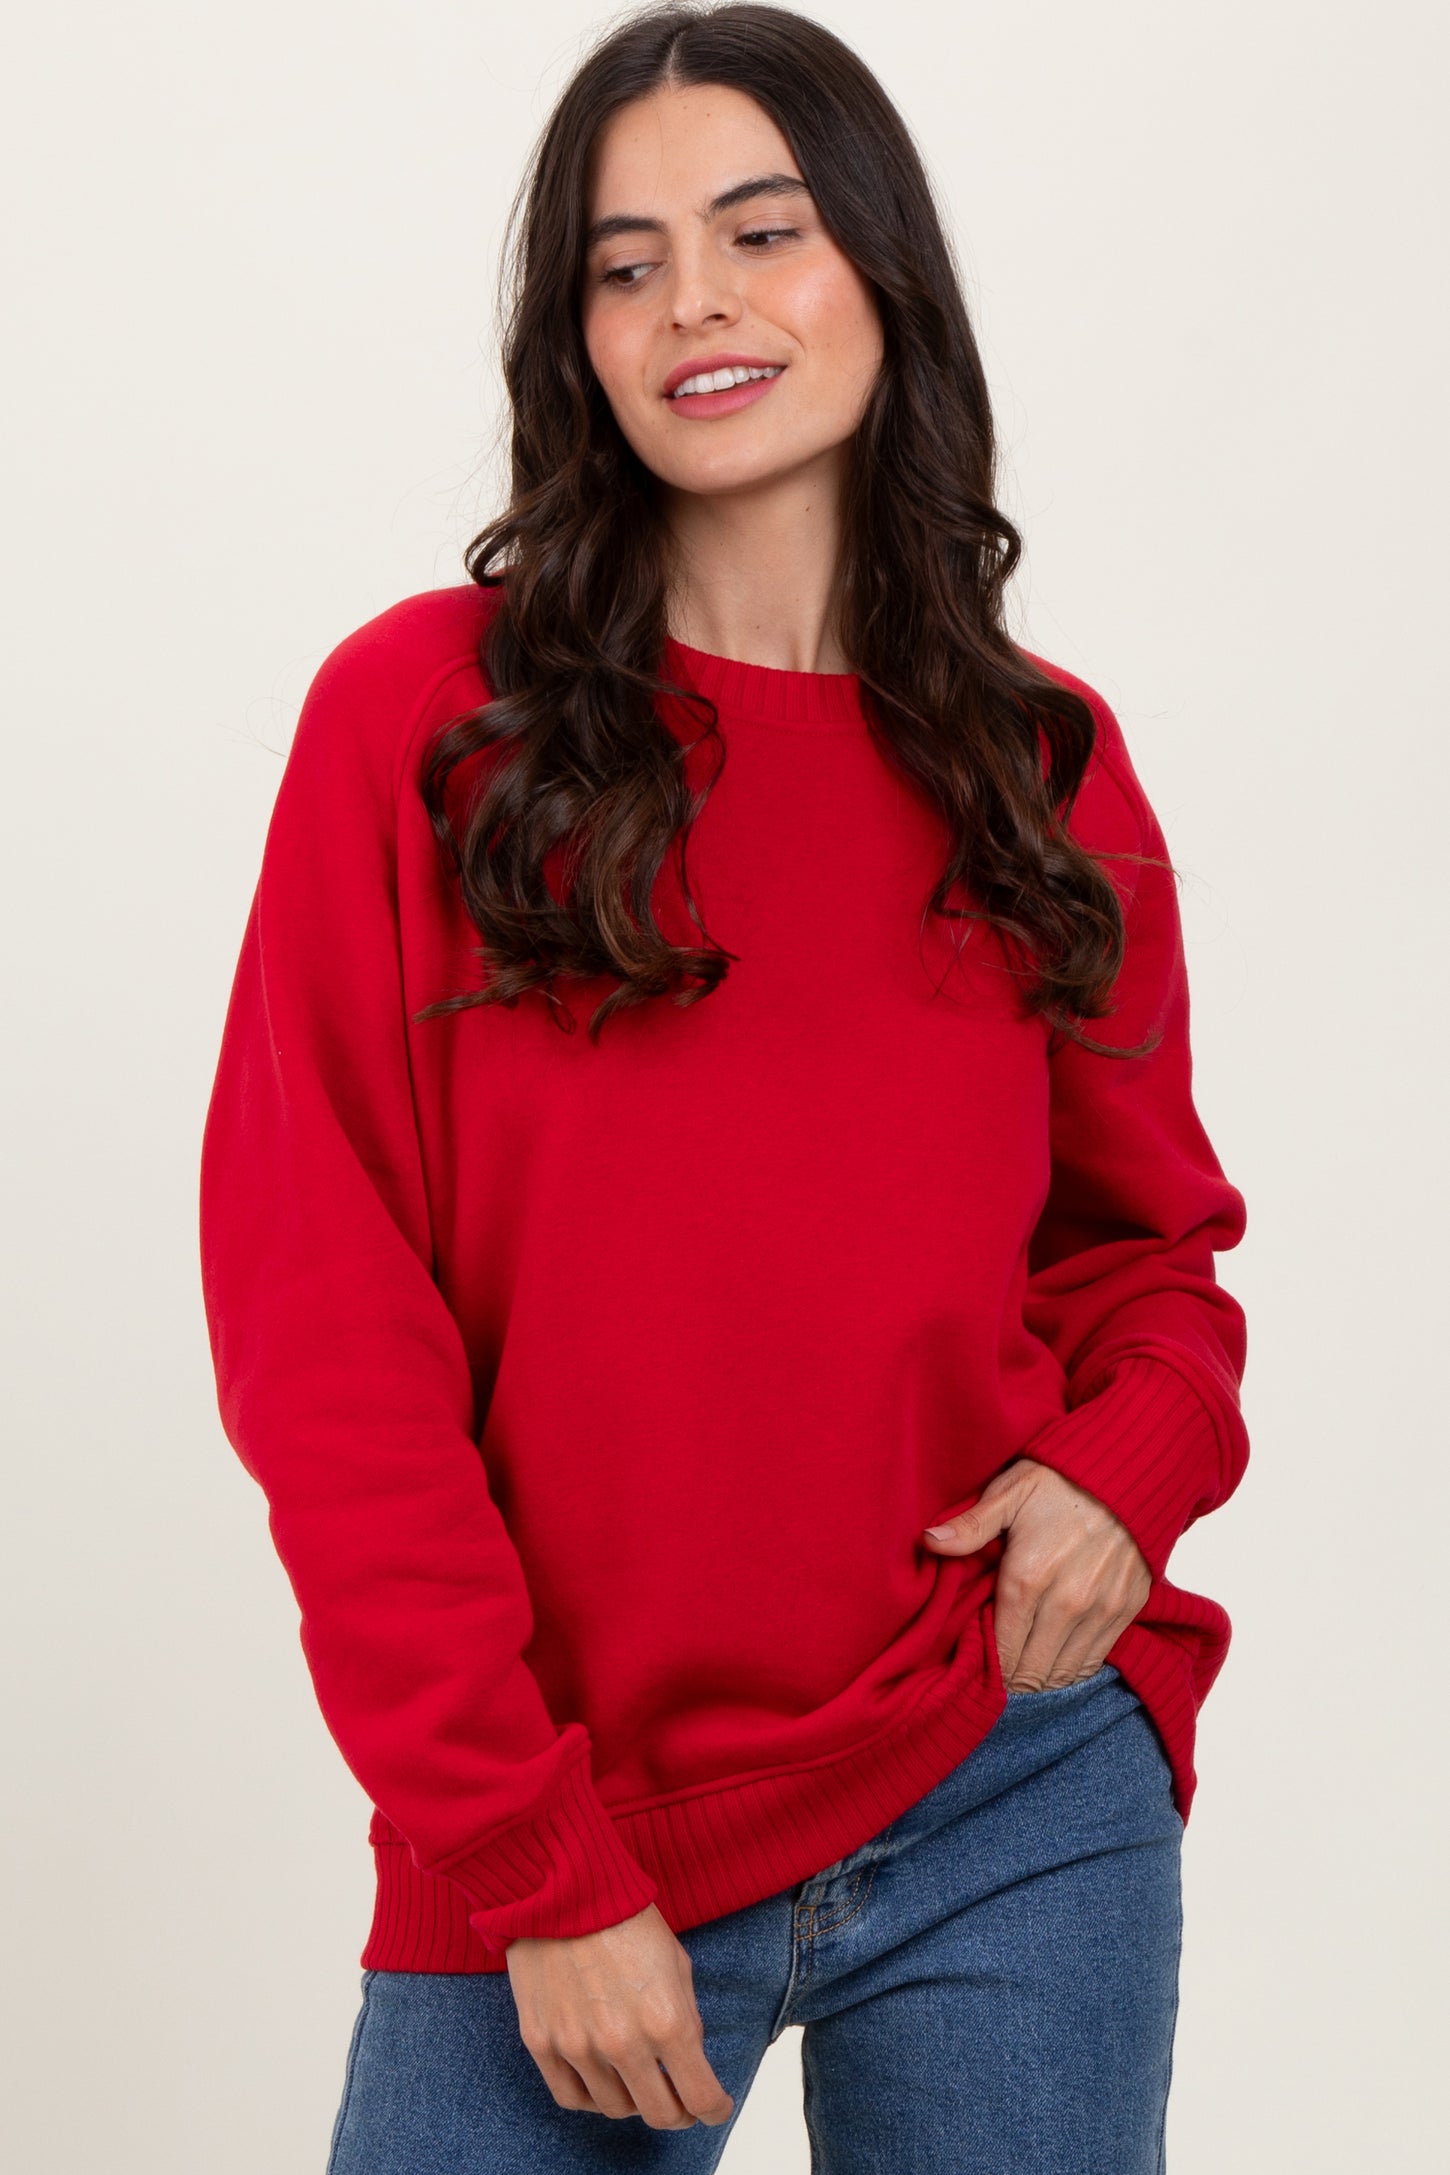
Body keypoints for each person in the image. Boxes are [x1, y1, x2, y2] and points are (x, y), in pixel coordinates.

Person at [198, 5, 1250, 2168]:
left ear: (879, 270)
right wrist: (529, 1859)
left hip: (1009, 1784)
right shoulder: (427, 724)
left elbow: (1151, 1259)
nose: (694, 299)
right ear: (574, 338)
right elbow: (324, 1330)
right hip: (567, 1832)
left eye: (760, 232)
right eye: (625, 261)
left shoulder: (1037, 763)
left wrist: (1123, 1465)